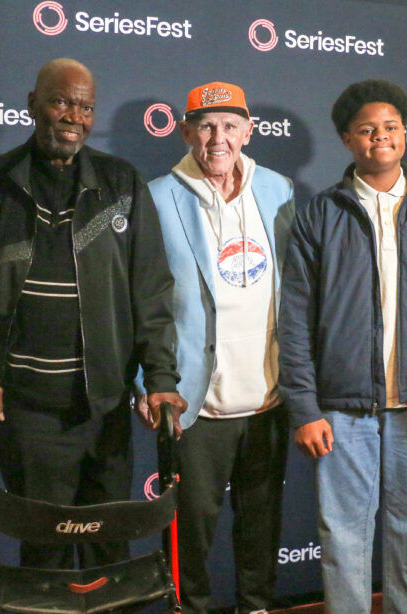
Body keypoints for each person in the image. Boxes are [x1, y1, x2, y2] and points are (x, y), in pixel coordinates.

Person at [0, 57, 187, 570]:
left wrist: (161, 376)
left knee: (108, 553)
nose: (73, 115)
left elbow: (151, 290)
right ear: (33, 105)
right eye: (60, 101)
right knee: (45, 558)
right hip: (24, 409)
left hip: (104, 407)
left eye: (85, 106)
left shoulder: (121, 183)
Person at [278, 80, 407, 613]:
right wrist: (305, 407)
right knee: (342, 537)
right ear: (347, 140)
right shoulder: (321, 213)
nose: (380, 138)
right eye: (366, 129)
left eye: (390, 127)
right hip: (341, 410)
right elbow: (294, 318)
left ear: (405, 134)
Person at [147, 81, 294, 614]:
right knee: (191, 536)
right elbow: (140, 301)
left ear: (249, 131)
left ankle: (257, 606)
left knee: (261, 527)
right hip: (195, 403)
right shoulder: (156, 197)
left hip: (269, 400)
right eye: (206, 126)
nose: (217, 138)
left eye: (230, 126)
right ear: (186, 131)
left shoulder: (279, 190)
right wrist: (150, 384)